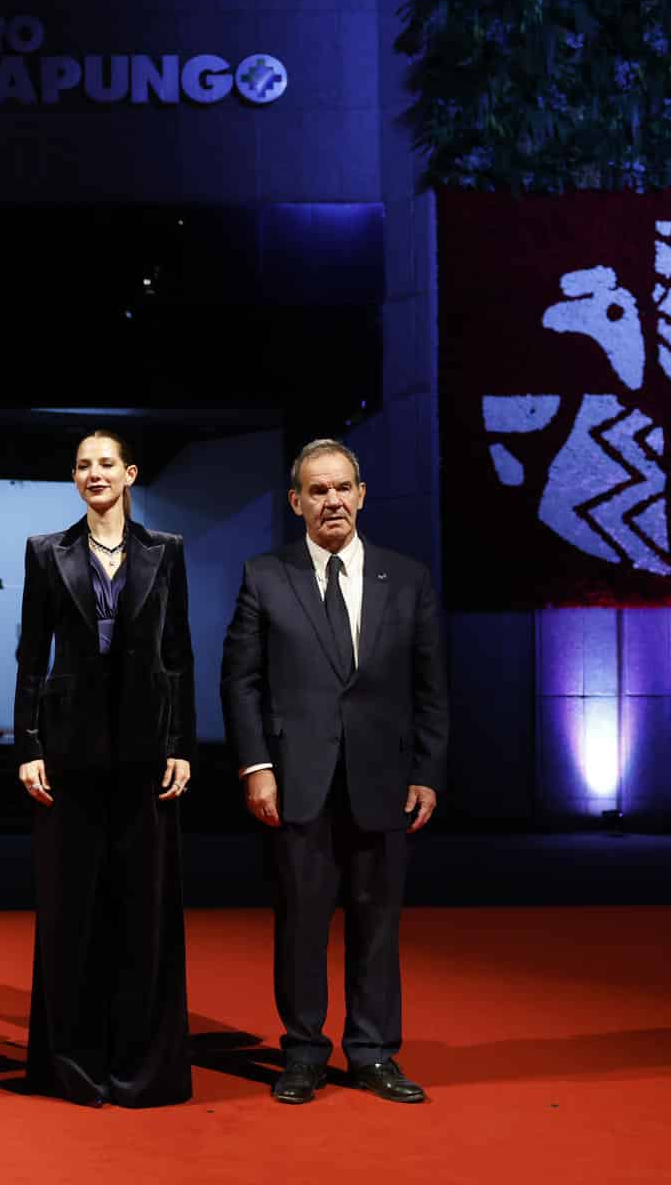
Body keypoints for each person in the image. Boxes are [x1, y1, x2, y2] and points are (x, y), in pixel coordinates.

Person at [220, 438, 447, 1104]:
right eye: (317, 491)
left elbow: (432, 686)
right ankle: (303, 1054)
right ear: (296, 503)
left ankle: (374, 1053)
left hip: (383, 778)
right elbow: (242, 682)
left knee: (378, 923)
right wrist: (256, 766)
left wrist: (428, 769)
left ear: (362, 494)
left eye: (342, 487)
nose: (332, 500)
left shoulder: (407, 579)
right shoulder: (265, 574)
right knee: (301, 922)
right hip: (297, 780)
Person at [11, 430, 195, 1108]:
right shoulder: (44, 553)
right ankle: (73, 1066)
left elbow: (178, 654)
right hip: (68, 753)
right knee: (72, 912)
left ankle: (143, 1067)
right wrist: (27, 745)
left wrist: (181, 742)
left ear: (130, 474)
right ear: (75, 478)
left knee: (144, 911)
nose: (95, 473)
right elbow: (31, 655)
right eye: (84, 465)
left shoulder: (166, 552)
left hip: (147, 752)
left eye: (106, 464)